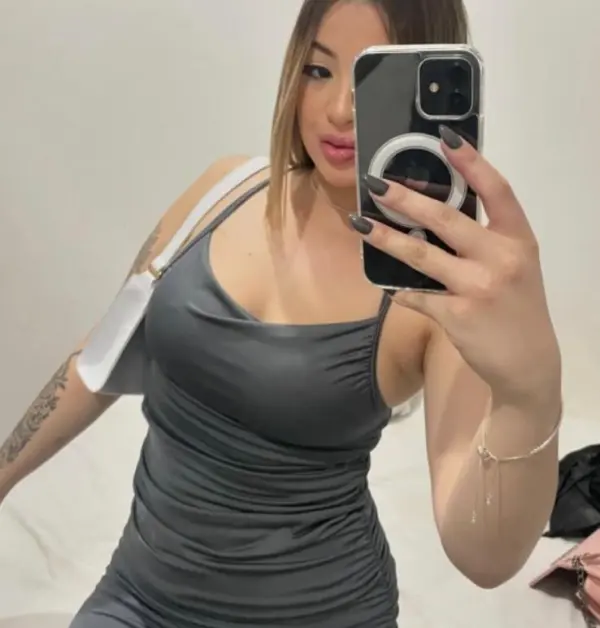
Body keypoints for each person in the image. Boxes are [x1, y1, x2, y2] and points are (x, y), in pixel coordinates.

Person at [0, 1, 563, 626]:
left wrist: (530, 397)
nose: (340, 109)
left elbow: (481, 555)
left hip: (323, 610)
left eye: (373, 79)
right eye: (319, 71)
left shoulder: (431, 285)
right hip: (141, 597)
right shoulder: (222, 189)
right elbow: (98, 361)